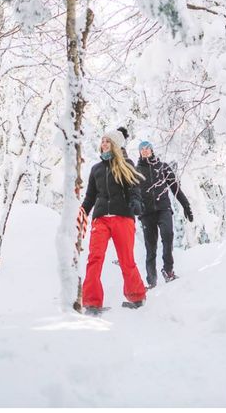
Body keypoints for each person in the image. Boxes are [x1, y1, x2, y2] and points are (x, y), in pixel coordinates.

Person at [80, 129, 147, 315]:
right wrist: (82, 213)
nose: (104, 144)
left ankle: (136, 296)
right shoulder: (96, 169)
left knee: (126, 259)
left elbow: (134, 188)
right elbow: (90, 197)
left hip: (122, 217)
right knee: (94, 258)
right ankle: (92, 302)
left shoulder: (126, 164)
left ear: (116, 145)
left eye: (108, 141)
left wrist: (135, 201)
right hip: (101, 219)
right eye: (102, 141)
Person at [135, 140, 193, 288]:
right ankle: (152, 280)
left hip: (163, 209)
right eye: (142, 149)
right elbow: (131, 194)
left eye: (147, 148)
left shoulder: (163, 168)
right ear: (140, 152)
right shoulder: (136, 171)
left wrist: (186, 206)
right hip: (146, 214)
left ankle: (168, 271)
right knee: (151, 247)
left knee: (168, 236)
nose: (145, 151)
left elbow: (176, 188)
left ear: (152, 150)